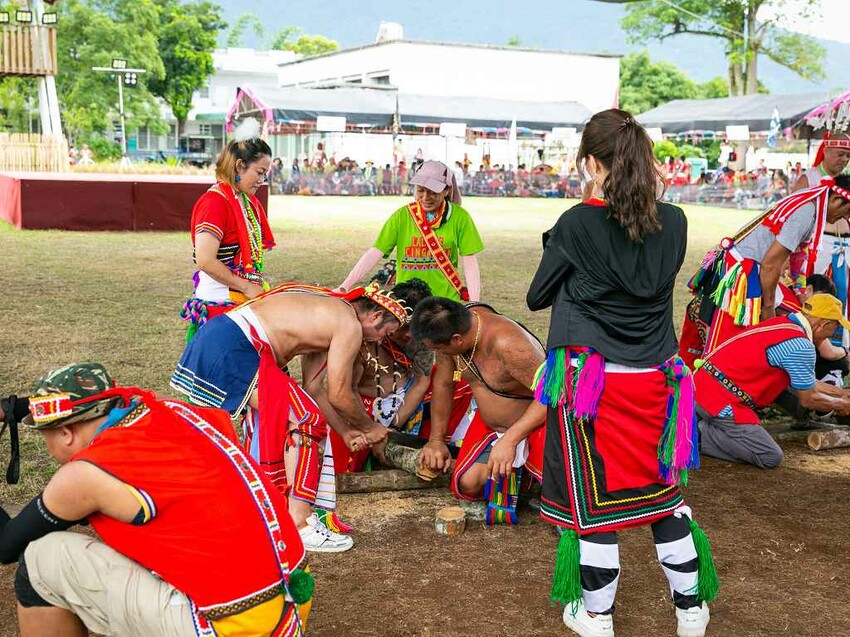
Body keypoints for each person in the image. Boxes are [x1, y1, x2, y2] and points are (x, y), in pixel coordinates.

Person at [526, 109, 716, 637]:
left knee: (598, 508)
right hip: (660, 380)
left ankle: (597, 617)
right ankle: (691, 612)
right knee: (663, 500)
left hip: (595, 386)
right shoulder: (675, 221)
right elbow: (642, 273)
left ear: (591, 162)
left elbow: (538, 295)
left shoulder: (576, 222)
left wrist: (580, 222)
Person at [0, 363, 310, 637]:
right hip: (289, 599)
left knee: (41, 560)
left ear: (66, 433)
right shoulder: (171, 412)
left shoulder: (82, 477)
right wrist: (12, 408)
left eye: (46, 436)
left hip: (232, 626)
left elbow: (5, 546)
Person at [171, 282, 408, 551]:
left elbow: (315, 390)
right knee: (306, 419)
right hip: (236, 346)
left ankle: (266, 511)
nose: (379, 342)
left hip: (224, 339)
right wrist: (371, 428)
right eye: (384, 333)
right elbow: (340, 394)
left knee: (303, 415)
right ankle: (299, 523)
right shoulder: (349, 324)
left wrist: (346, 431)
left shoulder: (330, 313)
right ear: (375, 316)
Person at [680, 175, 850, 368]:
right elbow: (771, 265)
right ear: (836, 199)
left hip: (750, 268)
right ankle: (715, 380)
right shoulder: (806, 212)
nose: (846, 217)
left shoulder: (812, 208)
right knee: (729, 339)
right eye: (847, 211)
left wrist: (802, 293)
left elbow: (797, 258)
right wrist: (767, 308)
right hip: (742, 274)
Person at [412, 298, 546, 525]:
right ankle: (525, 480)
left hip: (537, 424)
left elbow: (552, 395)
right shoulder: (451, 329)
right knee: (468, 484)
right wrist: (436, 441)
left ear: (456, 340)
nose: (437, 354)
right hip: (491, 426)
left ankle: (545, 484)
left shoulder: (509, 345)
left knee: (561, 498)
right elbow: (444, 385)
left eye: (438, 349)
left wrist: (510, 440)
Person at [322, 279, 475, 474]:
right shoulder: (365, 333)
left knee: (458, 382)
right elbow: (344, 391)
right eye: (402, 328)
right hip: (364, 406)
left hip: (407, 402)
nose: (408, 335)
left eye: (413, 329)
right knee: (345, 449)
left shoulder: (421, 337)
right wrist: (373, 426)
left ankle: (434, 446)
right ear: (387, 316)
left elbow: (422, 380)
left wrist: (395, 423)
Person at [695, 294, 850, 468]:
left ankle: (700, 423)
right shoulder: (801, 346)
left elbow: (807, 383)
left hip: (701, 387)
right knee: (769, 456)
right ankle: (698, 435)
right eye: (835, 328)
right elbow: (808, 398)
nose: (832, 334)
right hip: (721, 402)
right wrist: (841, 404)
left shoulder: (783, 324)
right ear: (824, 324)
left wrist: (842, 394)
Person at [339, 160, 484, 302]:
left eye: (433, 192)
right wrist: (344, 287)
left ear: (446, 190)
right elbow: (375, 252)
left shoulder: (460, 217)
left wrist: (476, 302)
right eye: (420, 190)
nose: (425, 198)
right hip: (405, 301)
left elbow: (470, 261)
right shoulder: (402, 216)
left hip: (445, 302)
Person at [179, 129, 275, 342]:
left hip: (244, 297)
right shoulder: (214, 203)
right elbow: (204, 260)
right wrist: (246, 286)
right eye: (259, 172)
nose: (262, 179)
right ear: (240, 166)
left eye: (265, 174)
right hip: (221, 302)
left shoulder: (247, 201)